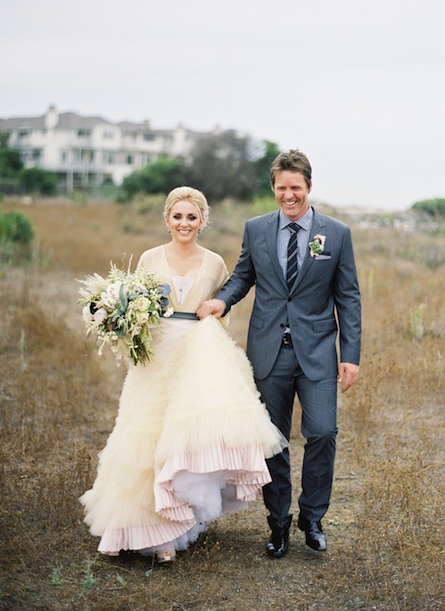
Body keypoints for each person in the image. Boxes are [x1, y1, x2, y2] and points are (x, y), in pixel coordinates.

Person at [79, 186, 285, 563]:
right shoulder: (149, 258)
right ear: (166, 219)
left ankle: (172, 531)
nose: (184, 223)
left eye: (192, 217)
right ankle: (141, 528)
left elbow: (224, 307)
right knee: (146, 433)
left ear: (203, 221)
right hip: (156, 354)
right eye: (178, 217)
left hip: (196, 356)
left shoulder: (215, 263)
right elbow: (136, 304)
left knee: (182, 441)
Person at [197, 150, 361, 558]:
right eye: (281, 188)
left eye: (296, 188)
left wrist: (351, 354)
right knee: (273, 441)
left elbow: (349, 297)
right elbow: (242, 276)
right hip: (268, 350)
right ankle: (279, 523)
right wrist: (222, 302)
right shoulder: (255, 229)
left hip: (319, 352)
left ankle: (313, 517)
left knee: (322, 432)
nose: (289, 195)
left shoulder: (336, 234)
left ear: (308, 186)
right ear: (273, 188)